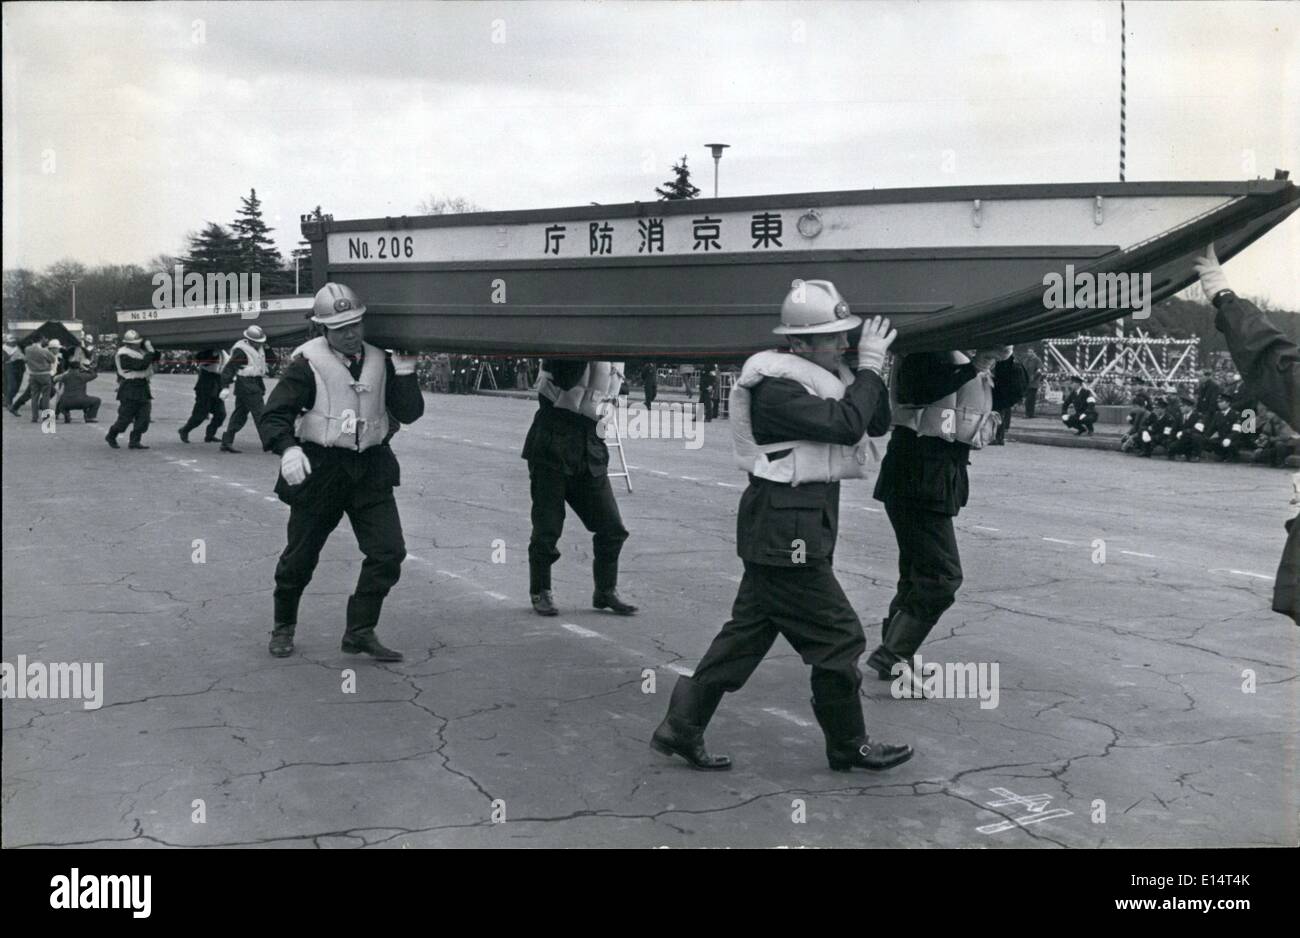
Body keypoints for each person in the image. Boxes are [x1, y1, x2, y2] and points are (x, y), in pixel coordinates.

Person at [652, 280, 911, 773]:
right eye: (832, 337)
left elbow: (874, 423)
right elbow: (844, 425)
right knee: (839, 638)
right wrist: (870, 368)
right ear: (798, 343)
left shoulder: (825, 373)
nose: (843, 343)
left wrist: (865, 370)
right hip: (786, 532)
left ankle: (681, 727)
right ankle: (848, 744)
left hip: (790, 526)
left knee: (746, 636)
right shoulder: (776, 387)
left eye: (844, 336)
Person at [259, 282, 425, 660]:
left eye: (356, 324)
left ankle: (360, 630)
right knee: (299, 557)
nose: (351, 333)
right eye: (340, 327)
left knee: (388, 553)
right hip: (323, 470)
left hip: (370, 469)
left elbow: (410, 413)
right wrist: (287, 449)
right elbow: (275, 414)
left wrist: (407, 372)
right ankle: (283, 625)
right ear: (323, 329)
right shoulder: (307, 364)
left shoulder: (381, 359)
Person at [865, 340, 1017, 689]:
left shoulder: (964, 353)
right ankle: (894, 654)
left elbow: (1009, 395)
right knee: (942, 576)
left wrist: (1005, 358)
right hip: (918, 468)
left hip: (939, 471)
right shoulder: (926, 348)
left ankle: (894, 656)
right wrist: (973, 366)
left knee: (918, 572)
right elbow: (919, 389)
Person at [1196, 244, 1298, 623]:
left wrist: (1224, 297)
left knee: (1247, 432)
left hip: (1252, 414)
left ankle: (1244, 444)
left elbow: (1276, 366)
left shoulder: (1236, 391)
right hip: (1246, 413)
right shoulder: (1228, 392)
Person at [522, 358, 635, 616]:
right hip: (553, 439)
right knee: (547, 527)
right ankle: (541, 590)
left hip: (590, 444)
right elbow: (565, 377)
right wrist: (587, 345)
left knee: (612, 528)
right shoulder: (569, 338)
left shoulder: (616, 349)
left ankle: (605, 590)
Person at [218, 325, 276, 453]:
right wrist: (225, 386)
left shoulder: (260, 348)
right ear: (249, 340)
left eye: (261, 342)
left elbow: (273, 360)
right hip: (246, 384)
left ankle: (226, 441)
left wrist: (267, 347)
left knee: (239, 415)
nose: (259, 344)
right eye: (257, 342)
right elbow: (229, 369)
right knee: (260, 414)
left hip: (255, 383)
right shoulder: (241, 350)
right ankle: (269, 443)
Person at [105, 331, 160, 449]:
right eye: (135, 343)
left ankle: (135, 441)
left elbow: (155, 357)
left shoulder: (141, 352)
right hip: (129, 387)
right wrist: (150, 352)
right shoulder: (123, 354)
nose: (137, 345)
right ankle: (111, 435)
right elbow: (141, 365)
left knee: (144, 417)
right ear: (128, 344)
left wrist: (153, 350)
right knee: (124, 419)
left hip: (143, 385)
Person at [178, 348, 227, 443]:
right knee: (200, 414)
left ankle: (210, 435)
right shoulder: (207, 350)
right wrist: (213, 354)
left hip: (218, 383)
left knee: (221, 414)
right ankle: (185, 430)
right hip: (206, 384)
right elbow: (201, 360)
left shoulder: (224, 352)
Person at [11, 338, 59, 423]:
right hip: (45, 375)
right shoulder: (44, 351)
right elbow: (53, 359)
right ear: (40, 341)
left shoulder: (27, 349)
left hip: (33, 375)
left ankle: (34, 417)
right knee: (45, 397)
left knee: (34, 397)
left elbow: (26, 359)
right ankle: (45, 416)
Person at [54, 354, 100, 423]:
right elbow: (95, 375)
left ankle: (65, 413)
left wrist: (65, 373)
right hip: (81, 402)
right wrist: (86, 368)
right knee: (97, 400)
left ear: (69, 368)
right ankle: (90, 417)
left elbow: (55, 379)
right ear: (79, 368)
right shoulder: (83, 376)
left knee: (60, 401)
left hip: (66, 402)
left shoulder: (65, 376)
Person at [1250, 404, 1299, 469]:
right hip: (1276, 447)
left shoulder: (1283, 423)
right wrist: (1259, 446)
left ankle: (1280, 463)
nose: (1269, 415)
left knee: (1279, 444)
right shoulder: (1270, 423)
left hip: (1288, 446)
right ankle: (1271, 461)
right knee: (1260, 455)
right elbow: (1264, 434)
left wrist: (1273, 439)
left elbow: (1285, 437)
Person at [3, 334, 25, 410]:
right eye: (11, 341)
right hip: (10, 367)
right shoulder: (4, 348)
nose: (13, 343)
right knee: (12, 385)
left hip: (20, 366)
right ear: (7, 342)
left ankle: (7, 400)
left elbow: (24, 355)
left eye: (14, 341)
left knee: (17, 386)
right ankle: (8, 402)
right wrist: (12, 357)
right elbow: (5, 359)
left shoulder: (19, 347)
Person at [1022, 347, 1043, 418]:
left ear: (1034, 353)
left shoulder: (1037, 360)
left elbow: (1039, 370)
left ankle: (1028, 413)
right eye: (1028, 352)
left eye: (1031, 352)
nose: (1029, 353)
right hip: (1026, 382)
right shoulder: (1026, 360)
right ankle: (1030, 413)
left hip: (1034, 383)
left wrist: (1034, 377)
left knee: (1030, 399)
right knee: (1029, 398)